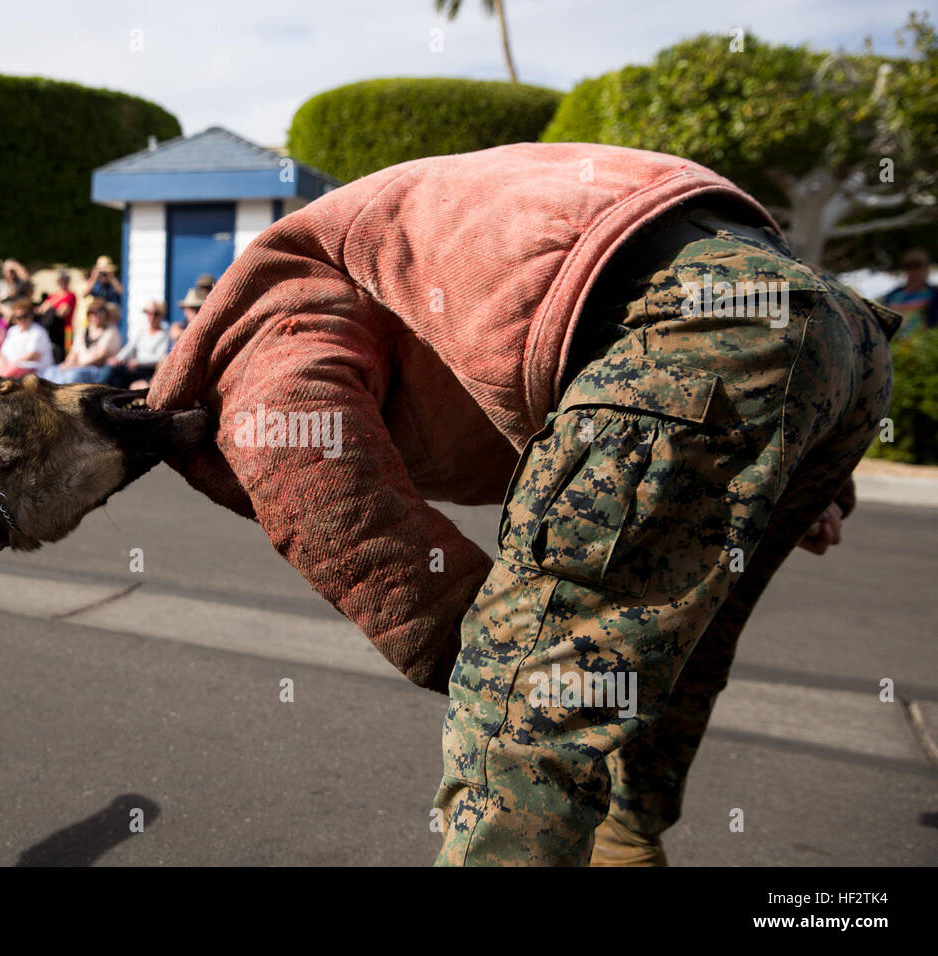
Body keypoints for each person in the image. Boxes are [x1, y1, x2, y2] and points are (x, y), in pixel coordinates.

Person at [147, 142, 898, 867]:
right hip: (834, 330)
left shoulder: (258, 335)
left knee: (525, 719)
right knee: (673, 645)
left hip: (691, 325)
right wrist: (809, 467)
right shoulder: (390, 230)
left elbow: (321, 492)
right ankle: (626, 841)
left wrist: (488, 654)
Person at [44, 300, 121, 384]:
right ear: (89, 315)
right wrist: (67, 364)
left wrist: (79, 365)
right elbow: (74, 352)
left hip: (97, 369)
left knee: (73, 375)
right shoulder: (83, 331)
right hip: (78, 366)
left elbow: (101, 357)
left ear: (106, 315)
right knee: (50, 371)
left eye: (101, 312)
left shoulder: (111, 331)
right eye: (94, 313)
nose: (97, 316)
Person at [107, 300, 170, 387]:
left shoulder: (164, 334)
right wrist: (118, 358)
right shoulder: (143, 330)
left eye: (156, 314)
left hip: (148, 370)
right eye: (149, 313)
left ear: (161, 316)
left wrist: (138, 362)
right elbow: (130, 346)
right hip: (134, 365)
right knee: (114, 368)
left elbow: (159, 357)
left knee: (117, 374)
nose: (152, 317)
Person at [0, 298, 51, 378]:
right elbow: (3, 352)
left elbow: (34, 355)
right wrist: (0, 364)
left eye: (25, 316)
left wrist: (12, 364)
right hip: (11, 365)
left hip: (33, 368)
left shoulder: (38, 331)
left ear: (31, 316)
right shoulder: (13, 331)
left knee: (7, 373)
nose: (22, 320)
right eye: (18, 317)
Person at [882, 247, 938, 338]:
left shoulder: (935, 294)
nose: (912, 270)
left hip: (926, 345)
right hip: (896, 346)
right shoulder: (892, 295)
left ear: (926, 267)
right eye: (908, 265)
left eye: (917, 265)